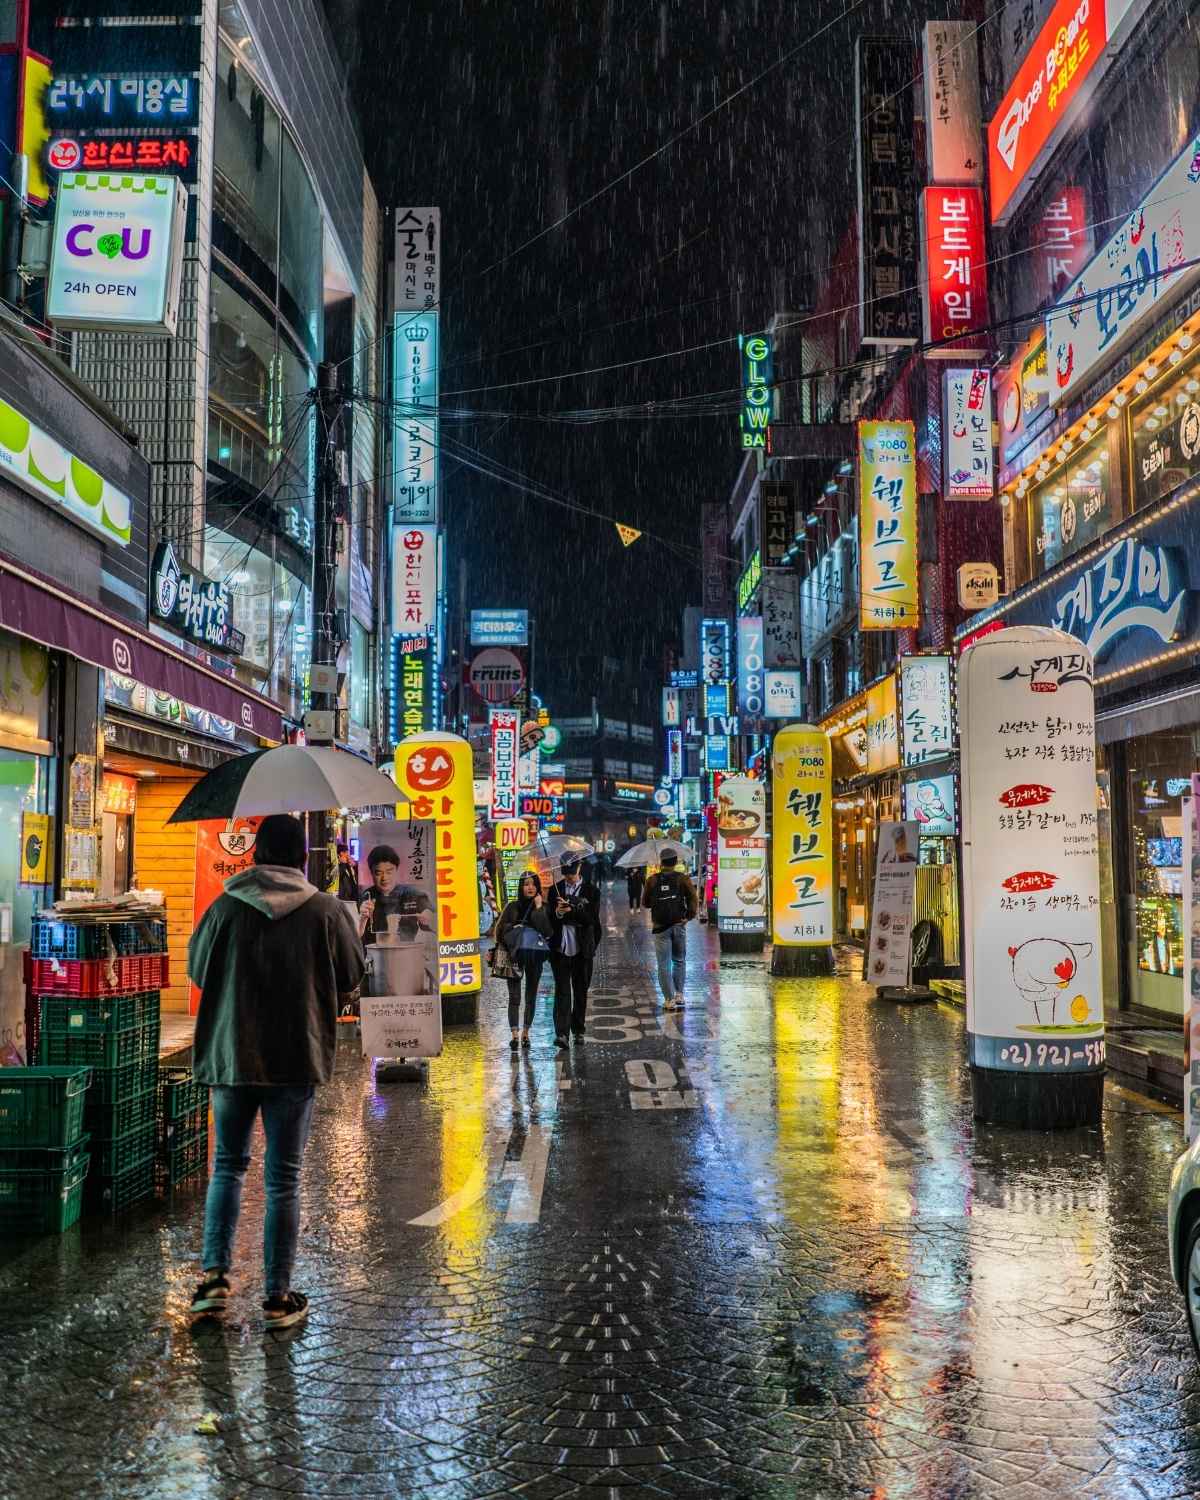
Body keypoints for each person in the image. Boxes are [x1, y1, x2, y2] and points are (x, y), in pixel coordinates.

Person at [187, 813, 364, 1330]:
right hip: (295, 1057)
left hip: (231, 1056)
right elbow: (353, 975)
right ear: (303, 859)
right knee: (283, 1178)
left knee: (228, 1165)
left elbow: (198, 969)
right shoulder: (327, 912)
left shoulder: (224, 906)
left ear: (255, 855)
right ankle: (277, 1297)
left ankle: (214, 1281)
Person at [548, 855, 602, 1048]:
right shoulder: (555, 891)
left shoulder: (592, 891)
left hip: (582, 951)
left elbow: (592, 920)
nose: (569, 877)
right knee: (562, 992)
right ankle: (561, 1033)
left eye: (572, 873)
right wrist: (559, 913)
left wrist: (573, 910)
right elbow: (550, 920)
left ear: (579, 867)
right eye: (566, 873)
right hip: (560, 949)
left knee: (580, 992)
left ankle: (578, 1030)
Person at [496, 871, 553, 1050]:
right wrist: (513, 927)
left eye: (533, 884)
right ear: (521, 887)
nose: (530, 887)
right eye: (526, 884)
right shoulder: (512, 907)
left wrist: (538, 909)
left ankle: (526, 1033)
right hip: (514, 956)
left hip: (534, 958)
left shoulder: (543, 906)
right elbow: (499, 931)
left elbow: (547, 931)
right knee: (514, 997)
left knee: (531, 996)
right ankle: (514, 1034)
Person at [643, 849, 698, 1011]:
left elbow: (645, 903)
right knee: (679, 960)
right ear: (675, 862)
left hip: (660, 928)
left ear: (661, 862)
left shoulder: (652, 880)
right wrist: (688, 916)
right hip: (678, 925)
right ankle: (679, 994)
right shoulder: (683, 879)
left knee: (663, 964)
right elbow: (693, 898)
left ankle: (669, 999)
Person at [358, 843, 434, 946]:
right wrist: (362, 919)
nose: (384, 878)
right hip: (374, 954)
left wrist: (429, 915)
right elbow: (355, 936)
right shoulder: (366, 896)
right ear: (371, 873)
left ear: (396, 870)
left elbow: (430, 914)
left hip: (405, 953)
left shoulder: (411, 894)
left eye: (389, 872)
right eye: (378, 873)